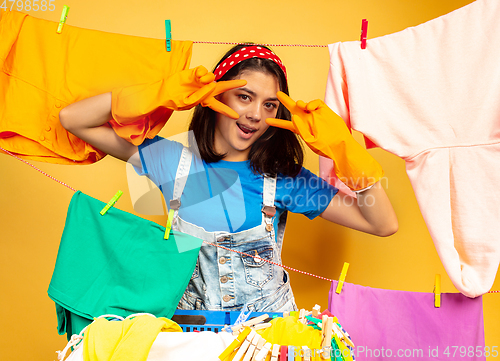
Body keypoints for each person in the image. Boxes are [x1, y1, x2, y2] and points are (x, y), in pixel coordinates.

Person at [59, 44, 398, 312]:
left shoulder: (284, 179)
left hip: (267, 337)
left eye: (269, 105)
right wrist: (159, 93)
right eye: (244, 97)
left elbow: (383, 224)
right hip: (190, 335)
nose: (255, 114)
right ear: (216, 96)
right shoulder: (171, 161)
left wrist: (346, 150)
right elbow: (74, 119)